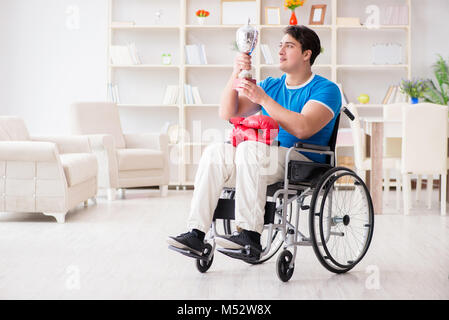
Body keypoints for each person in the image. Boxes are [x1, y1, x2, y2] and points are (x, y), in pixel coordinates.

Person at [167, 25, 342, 259]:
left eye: (288, 46)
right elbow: (228, 112)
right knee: (215, 152)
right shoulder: (272, 85)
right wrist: (235, 72)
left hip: (302, 160)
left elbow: (303, 128)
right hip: (262, 158)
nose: (280, 51)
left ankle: (249, 236)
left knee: (251, 149)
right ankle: (196, 234)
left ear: (307, 54)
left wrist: (264, 99)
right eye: (280, 45)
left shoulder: (326, 89)